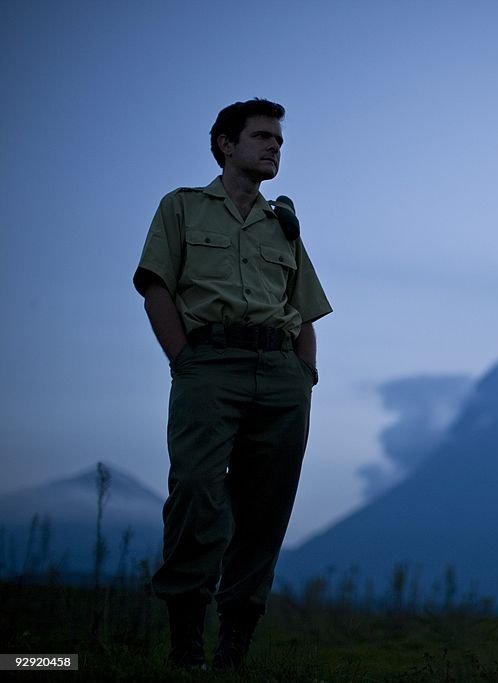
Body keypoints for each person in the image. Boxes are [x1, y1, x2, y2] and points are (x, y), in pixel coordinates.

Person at [132, 98, 332, 670]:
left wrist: (304, 376)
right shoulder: (183, 208)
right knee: (195, 489)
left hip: (280, 374)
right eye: (263, 137)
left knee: (265, 507)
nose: (275, 147)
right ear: (225, 144)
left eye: (280, 141)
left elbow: (305, 311)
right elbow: (155, 288)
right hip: (208, 366)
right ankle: (186, 643)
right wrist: (184, 362)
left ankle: (234, 646)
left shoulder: (284, 227)